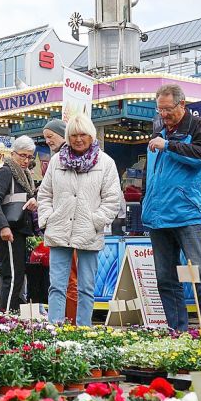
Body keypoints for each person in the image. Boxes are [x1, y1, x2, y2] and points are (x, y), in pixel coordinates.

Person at [143, 83, 201, 332]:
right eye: (159, 110)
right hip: (158, 216)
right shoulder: (158, 127)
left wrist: (170, 146)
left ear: (182, 104)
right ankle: (177, 332)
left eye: (168, 109)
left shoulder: (199, 126)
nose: (163, 115)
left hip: (187, 215)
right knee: (165, 279)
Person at [38, 113, 121, 326]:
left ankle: (84, 329)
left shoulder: (106, 163)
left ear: (91, 135)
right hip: (59, 229)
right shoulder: (56, 161)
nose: (78, 139)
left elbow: (112, 199)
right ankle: (54, 327)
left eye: (83, 134)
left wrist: (97, 220)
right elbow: (45, 194)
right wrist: (47, 218)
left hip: (88, 231)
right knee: (56, 285)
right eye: (73, 135)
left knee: (86, 286)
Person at [0, 136, 38, 312]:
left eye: (30, 157)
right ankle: (6, 316)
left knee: (16, 277)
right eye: (22, 155)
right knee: (13, 276)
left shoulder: (22, 174)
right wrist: (3, 226)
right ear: (12, 154)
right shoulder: (6, 171)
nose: (26, 160)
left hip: (17, 230)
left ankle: (10, 314)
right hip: (9, 230)